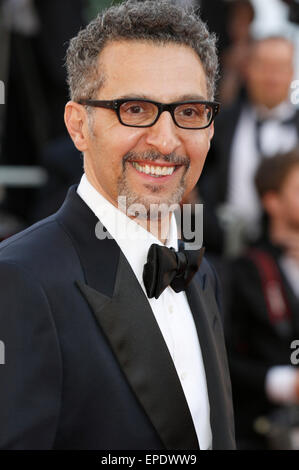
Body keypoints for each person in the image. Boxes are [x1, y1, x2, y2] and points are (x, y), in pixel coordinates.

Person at [0, 1, 235, 450]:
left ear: (209, 128)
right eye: (135, 108)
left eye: (187, 112)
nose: (165, 141)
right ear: (78, 127)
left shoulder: (201, 274)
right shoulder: (18, 281)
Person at [199, 35, 299, 255]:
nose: (271, 76)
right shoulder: (221, 123)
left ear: (291, 72)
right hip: (224, 252)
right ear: (248, 70)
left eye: (280, 67)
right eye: (263, 66)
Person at [227, 149, 299, 449]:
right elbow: (224, 359)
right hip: (265, 429)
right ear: (272, 201)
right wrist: (284, 383)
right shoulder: (245, 270)